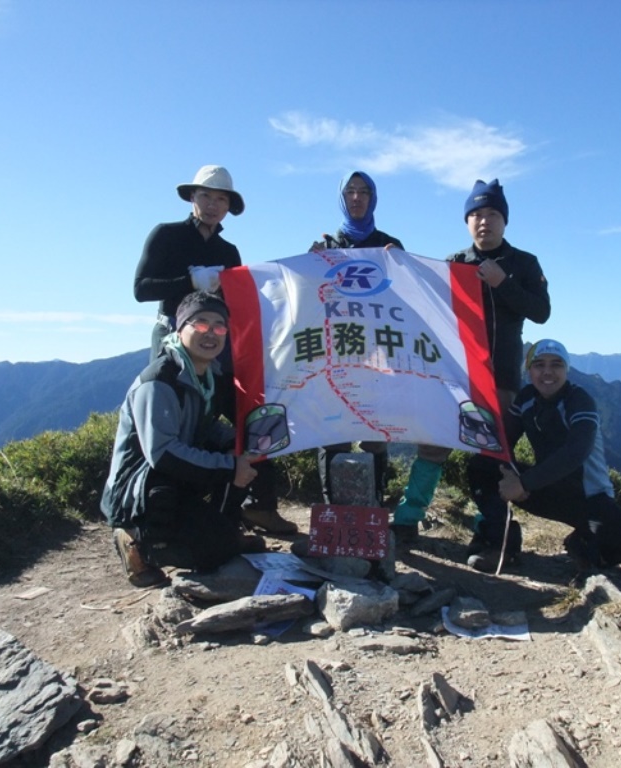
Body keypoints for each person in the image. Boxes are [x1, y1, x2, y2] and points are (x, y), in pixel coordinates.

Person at [133, 165, 294, 535]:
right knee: (173, 418)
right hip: (171, 342)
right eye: (206, 195)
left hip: (217, 342)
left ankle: (259, 505)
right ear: (193, 198)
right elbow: (141, 288)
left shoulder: (227, 250)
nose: (212, 204)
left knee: (245, 415)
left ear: (228, 206)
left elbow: (237, 302)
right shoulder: (166, 235)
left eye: (220, 198)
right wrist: (188, 281)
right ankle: (158, 507)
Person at [391, 178, 551, 541]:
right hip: (452, 373)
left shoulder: (524, 263)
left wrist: (503, 282)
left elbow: (541, 312)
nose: (484, 221)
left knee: (491, 452)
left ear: (504, 221)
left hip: (502, 377)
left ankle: (492, 528)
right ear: (467, 222)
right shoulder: (454, 262)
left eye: (492, 213)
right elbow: (422, 301)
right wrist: (398, 265)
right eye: (476, 214)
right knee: (433, 445)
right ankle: (407, 517)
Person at [101, 292, 265, 587]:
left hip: (173, 476)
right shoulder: (160, 381)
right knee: (215, 549)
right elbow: (162, 453)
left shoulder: (205, 375)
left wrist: (241, 442)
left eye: (219, 326)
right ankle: (138, 541)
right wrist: (230, 466)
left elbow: (204, 428)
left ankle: (223, 532)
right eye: (200, 325)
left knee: (240, 456)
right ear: (180, 329)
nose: (211, 333)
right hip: (139, 488)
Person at [464, 339, 621, 573]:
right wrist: (506, 471)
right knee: (481, 465)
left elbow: (576, 452)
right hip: (546, 488)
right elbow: (503, 441)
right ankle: (500, 543)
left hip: (589, 497)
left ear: (566, 369)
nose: (547, 372)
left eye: (556, 365)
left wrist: (523, 482)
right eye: (539, 365)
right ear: (528, 370)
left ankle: (583, 543)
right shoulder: (526, 397)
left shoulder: (579, 401)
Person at [310, 170, 404, 508]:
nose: (357, 197)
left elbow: (407, 300)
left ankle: (373, 507)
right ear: (341, 198)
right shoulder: (327, 247)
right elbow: (310, 297)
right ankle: (332, 507)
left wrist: (401, 266)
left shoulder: (389, 245)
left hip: (378, 356)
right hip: (336, 353)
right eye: (350, 191)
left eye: (364, 191)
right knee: (331, 435)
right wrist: (310, 262)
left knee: (375, 434)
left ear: (373, 197)